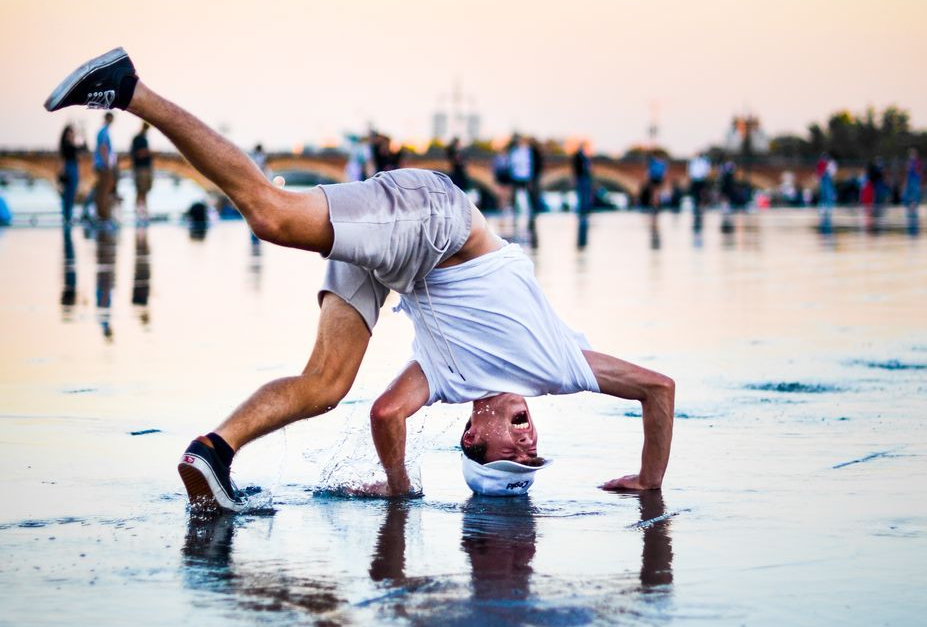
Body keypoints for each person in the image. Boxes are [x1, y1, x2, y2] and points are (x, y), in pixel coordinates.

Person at [44, 49, 675, 511]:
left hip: (403, 261)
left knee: (325, 385)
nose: (529, 432)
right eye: (533, 443)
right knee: (270, 216)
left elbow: (383, 414)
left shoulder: (448, 382)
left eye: (515, 445)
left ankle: (214, 452)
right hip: (435, 222)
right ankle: (129, 89)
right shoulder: (557, 366)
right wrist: (650, 481)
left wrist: (399, 488)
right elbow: (658, 389)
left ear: (470, 435)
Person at [93, 111, 118, 224]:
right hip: (103, 165)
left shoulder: (103, 131)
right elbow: (103, 148)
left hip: (101, 164)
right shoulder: (104, 132)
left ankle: (101, 214)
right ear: (108, 119)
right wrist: (107, 163)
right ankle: (102, 215)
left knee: (102, 189)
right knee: (104, 189)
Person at [57, 122, 84, 225]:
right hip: (70, 168)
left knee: (70, 193)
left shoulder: (69, 144)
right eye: (70, 132)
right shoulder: (66, 145)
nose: (71, 134)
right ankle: (67, 216)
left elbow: (83, 147)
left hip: (73, 167)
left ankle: (67, 215)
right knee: (69, 193)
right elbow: (63, 159)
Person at [130, 121, 153, 221]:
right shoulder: (139, 139)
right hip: (141, 168)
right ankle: (139, 212)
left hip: (144, 167)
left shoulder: (142, 138)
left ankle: (143, 211)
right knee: (141, 190)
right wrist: (149, 152)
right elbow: (138, 153)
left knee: (144, 191)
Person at [571, 142, 594, 215]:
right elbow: (576, 168)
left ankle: (585, 208)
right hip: (581, 177)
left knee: (585, 193)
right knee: (582, 194)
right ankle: (583, 208)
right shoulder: (578, 156)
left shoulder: (585, 156)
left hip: (585, 177)